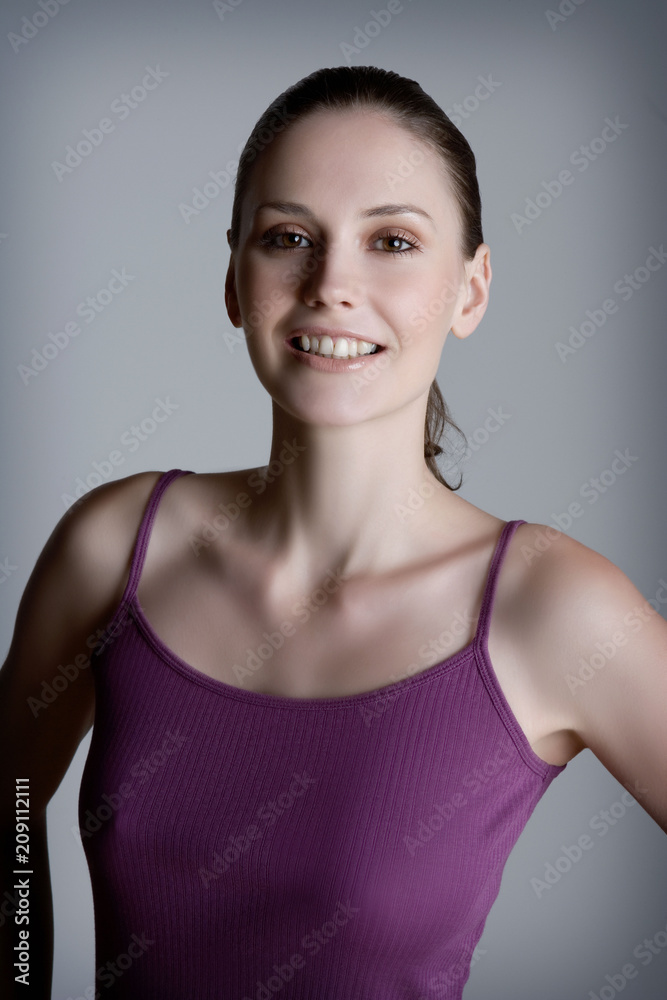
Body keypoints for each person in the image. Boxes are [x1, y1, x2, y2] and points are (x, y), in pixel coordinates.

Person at [1, 64, 665, 999]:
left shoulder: (551, 608)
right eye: (288, 239)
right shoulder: (114, 547)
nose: (331, 285)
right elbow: (10, 804)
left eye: (391, 241)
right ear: (235, 280)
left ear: (470, 290)